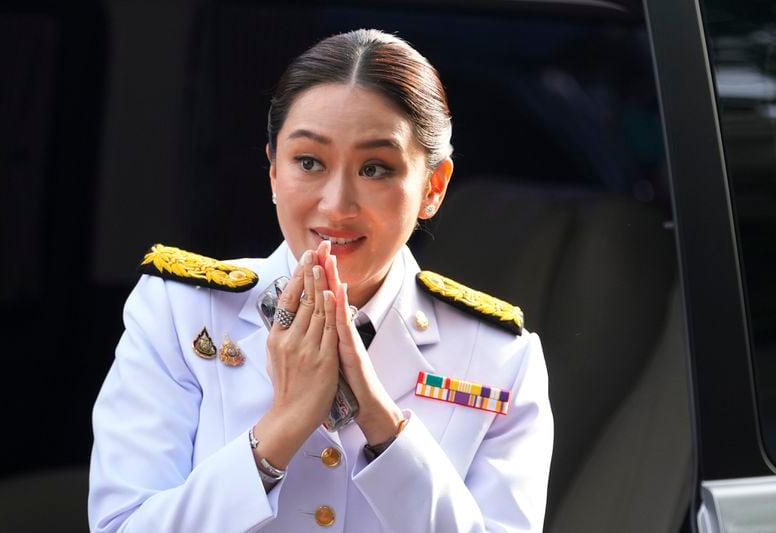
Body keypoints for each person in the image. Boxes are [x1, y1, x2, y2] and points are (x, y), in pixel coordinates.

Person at [88, 29, 553, 532]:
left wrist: (383, 425)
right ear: (272, 172)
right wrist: (280, 429)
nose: (336, 204)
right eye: (309, 162)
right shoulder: (178, 313)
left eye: (375, 168)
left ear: (433, 188)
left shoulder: (500, 358)